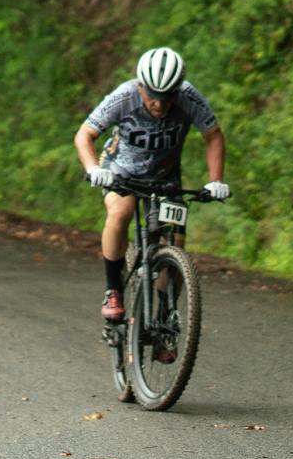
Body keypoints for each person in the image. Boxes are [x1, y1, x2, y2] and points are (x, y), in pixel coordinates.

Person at [73, 47, 228, 326]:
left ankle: (165, 316)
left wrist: (215, 180)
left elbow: (214, 136)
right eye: (153, 97)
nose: (159, 104)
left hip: (164, 175)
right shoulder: (124, 96)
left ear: (178, 90)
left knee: (175, 239)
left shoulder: (189, 97)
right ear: (141, 86)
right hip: (120, 172)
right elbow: (85, 135)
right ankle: (113, 291)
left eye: (167, 97)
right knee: (121, 211)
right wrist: (93, 169)